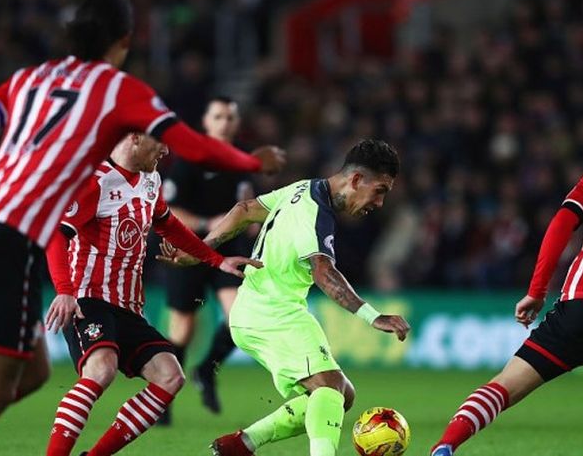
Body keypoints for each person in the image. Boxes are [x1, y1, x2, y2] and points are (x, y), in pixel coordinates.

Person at [0, 0, 285, 452]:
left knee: (36, 375)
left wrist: (214, 260)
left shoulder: (28, 79)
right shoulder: (119, 97)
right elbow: (195, 144)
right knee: (80, 372)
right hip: (23, 247)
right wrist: (252, 164)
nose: (165, 151)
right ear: (125, 41)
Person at [429, 98, 583, 456]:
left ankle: (445, 446)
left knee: (504, 386)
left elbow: (560, 226)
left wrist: (536, 292)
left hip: (580, 306)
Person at [159, 139, 411, 456]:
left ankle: (243, 443)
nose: (380, 202)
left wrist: (203, 248)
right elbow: (323, 272)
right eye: (380, 190)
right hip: (269, 312)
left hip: (267, 309)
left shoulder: (304, 188)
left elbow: (245, 210)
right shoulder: (316, 212)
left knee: (340, 395)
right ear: (357, 180)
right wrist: (373, 316)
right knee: (330, 387)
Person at [43, 132, 260, 456]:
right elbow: (57, 237)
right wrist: (64, 291)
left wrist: (216, 259)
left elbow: (169, 225)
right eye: (159, 141)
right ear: (134, 138)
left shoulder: (150, 180)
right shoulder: (95, 181)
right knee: (101, 369)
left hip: (128, 306)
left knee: (170, 375)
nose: (166, 149)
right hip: (88, 299)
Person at [162, 96, 253, 419]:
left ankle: (205, 370)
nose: (225, 122)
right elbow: (168, 209)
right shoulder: (191, 158)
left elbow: (246, 204)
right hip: (188, 249)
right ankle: (164, 392)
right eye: (219, 117)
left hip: (228, 250)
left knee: (240, 317)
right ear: (207, 122)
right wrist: (204, 224)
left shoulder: (243, 159)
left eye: (230, 117)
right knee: (182, 329)